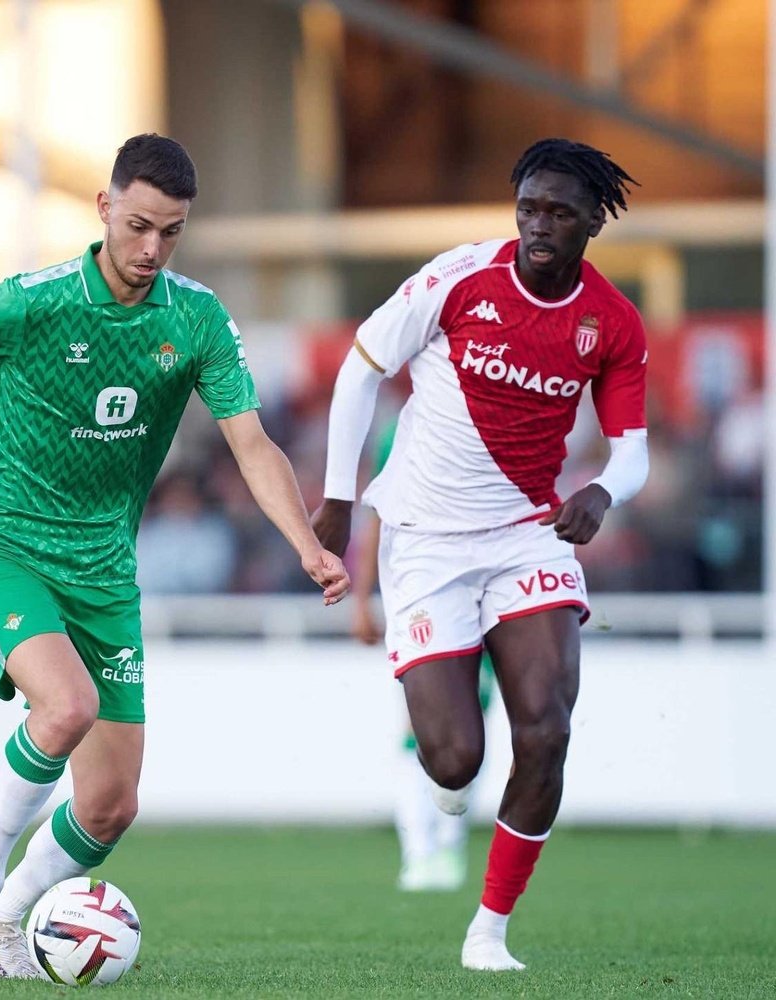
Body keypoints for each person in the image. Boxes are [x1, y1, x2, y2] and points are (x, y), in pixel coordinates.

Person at [0, 133, 349, 979]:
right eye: (137, 226)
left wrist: (305, 542)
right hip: (2, 545)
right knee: (65, 708)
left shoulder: (194, 317)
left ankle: (7, 921)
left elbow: (252, 443)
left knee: (108, 805)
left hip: (104, 573)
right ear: (103, 208)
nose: (150, 249)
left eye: (171, 233)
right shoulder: (33, 302)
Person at [312, 138, 648, 971]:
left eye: (559, 213)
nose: (538, 226)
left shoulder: (611, 322)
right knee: (454, 760)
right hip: (424, 542)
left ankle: (488, 931)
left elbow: (632, 447)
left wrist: (604, 490)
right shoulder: (460, 278)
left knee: (547, 730)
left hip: (528, 533)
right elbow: (361, 368)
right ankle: (445, 795)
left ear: (593, 222)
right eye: (528, 207)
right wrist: (339, 496)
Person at [351, 421, 496, 893]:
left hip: (486, 588)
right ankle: (418, 851)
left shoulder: (498, 412)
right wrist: (362, 599)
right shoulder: (403, 430)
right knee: (420, 725)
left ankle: (450, 844)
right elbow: (378, 515)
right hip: (421, 590)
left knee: (471, 726)